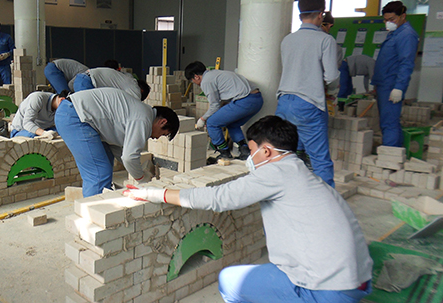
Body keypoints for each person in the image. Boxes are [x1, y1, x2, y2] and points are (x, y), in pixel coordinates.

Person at [126, 115, 373, 303]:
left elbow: (218, 198)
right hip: (358, 279)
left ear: (267, 151)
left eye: (252, 151)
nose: (249, 157)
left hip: (327, 289)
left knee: (229, 281)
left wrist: (154, 193)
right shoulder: (305, 175)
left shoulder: (277, 172)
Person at [55, 88, 180, 197]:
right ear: (162, 122)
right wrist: (142, 178)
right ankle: (95, 216)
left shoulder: (140, 113)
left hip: (75, 113)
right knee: (99, 173)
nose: (157, 138)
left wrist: (139, 169)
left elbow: (119, 151)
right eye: (162, 134)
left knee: (106, 164)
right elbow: (129, 157)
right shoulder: (143, 119)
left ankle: (103, 206)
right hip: (74, 116)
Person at [276, 0, 340, 187]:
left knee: (285, 154)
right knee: (320, 159)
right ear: (321, 15)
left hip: (284, 102)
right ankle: (325, 207)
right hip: (308, 104)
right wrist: (332, 93)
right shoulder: (325, 40)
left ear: (299, 16)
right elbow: (331, 76)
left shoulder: (287, 40)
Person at [184, 61, 263, 160]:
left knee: (212, 123)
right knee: (232, 123)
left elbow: (215, 105)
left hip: (244, 101)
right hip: (256, 99)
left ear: (196, 77)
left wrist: (202, 119)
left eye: (192, 81)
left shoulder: (206, 81)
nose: (194, 83)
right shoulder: (215, 73)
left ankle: (224, 152)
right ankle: (245, 150)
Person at [371, 1, 419, 147]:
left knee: (389, 122)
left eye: (392, 19)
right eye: (386, 20)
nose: (388, 23)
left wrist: (399, 87)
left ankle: (389, 158)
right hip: (384, 83)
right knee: (388, 121)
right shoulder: (394, 33)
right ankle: (396, 153)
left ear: (403, 16)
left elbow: (406, 63)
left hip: (391, 85)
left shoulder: (407, 35)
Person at [73, 67, 150, 101]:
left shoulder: (127, 79)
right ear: (142, 90)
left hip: (82, 79)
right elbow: (136, 106)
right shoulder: (135, 87)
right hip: (87, 82)